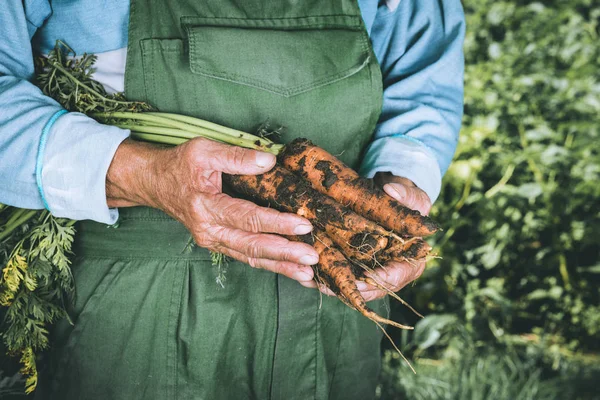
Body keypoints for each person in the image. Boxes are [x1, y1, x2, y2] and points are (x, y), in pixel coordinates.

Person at [0, 0, 465, 398]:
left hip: (334, 296)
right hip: (134, 305)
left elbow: (423, 77)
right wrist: (141, 173)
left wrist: (398, 189)